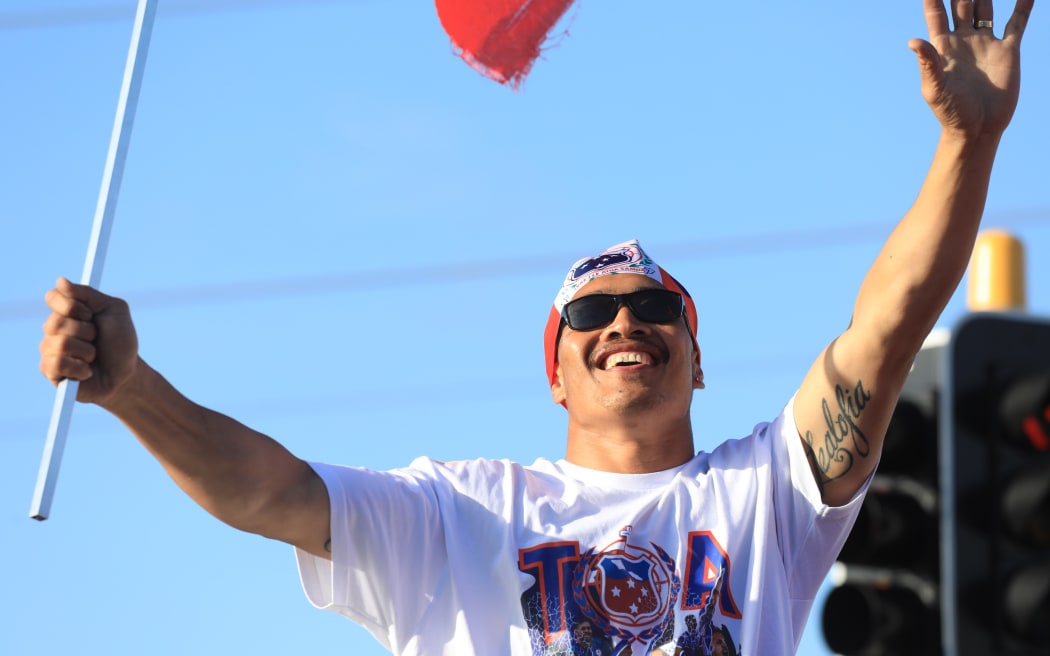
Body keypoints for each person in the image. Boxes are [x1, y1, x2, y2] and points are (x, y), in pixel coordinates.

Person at [37, 1, 1033, 654]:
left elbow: (889, 325)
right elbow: (271, 489)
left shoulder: (768, 493)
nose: (624, 322)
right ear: (553, 366)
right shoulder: (459, 514)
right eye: (592, 313)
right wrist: (130, 385)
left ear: (697, 357)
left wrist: (967, 144)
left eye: (655, 308)